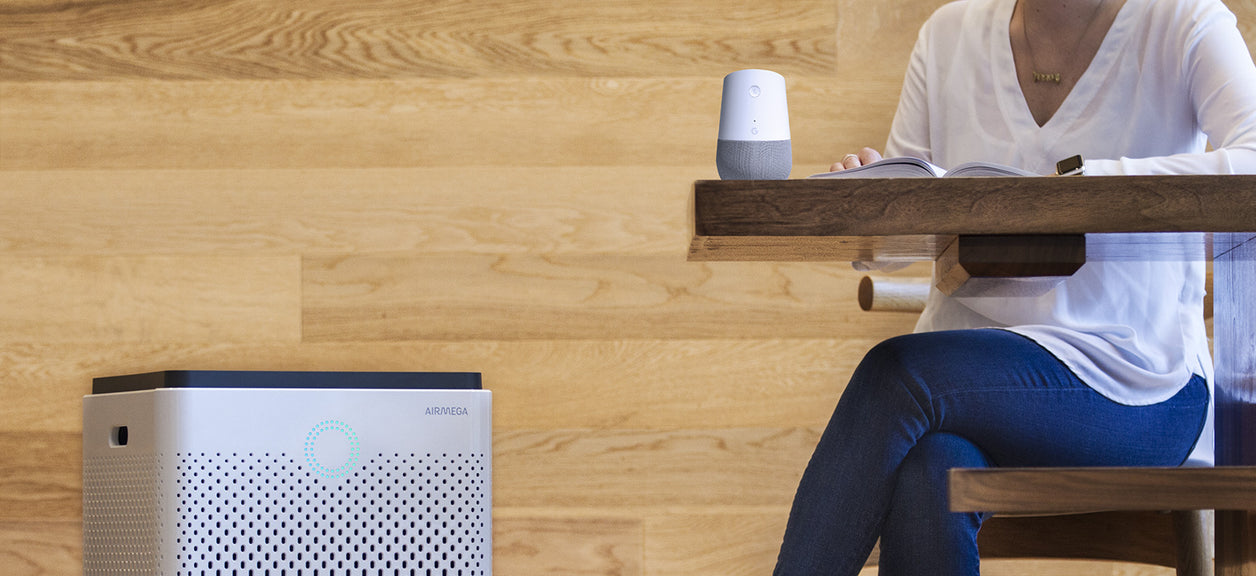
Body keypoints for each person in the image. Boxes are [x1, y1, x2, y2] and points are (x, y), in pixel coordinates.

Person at [772, 0, 1256, 573]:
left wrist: (1082, 185)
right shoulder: (948, 33)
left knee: (896, 371)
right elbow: (902, 241)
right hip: (965, 377)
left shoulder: (1185, 21)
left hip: (1138, 378)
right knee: (932, 468)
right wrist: (868, 196)